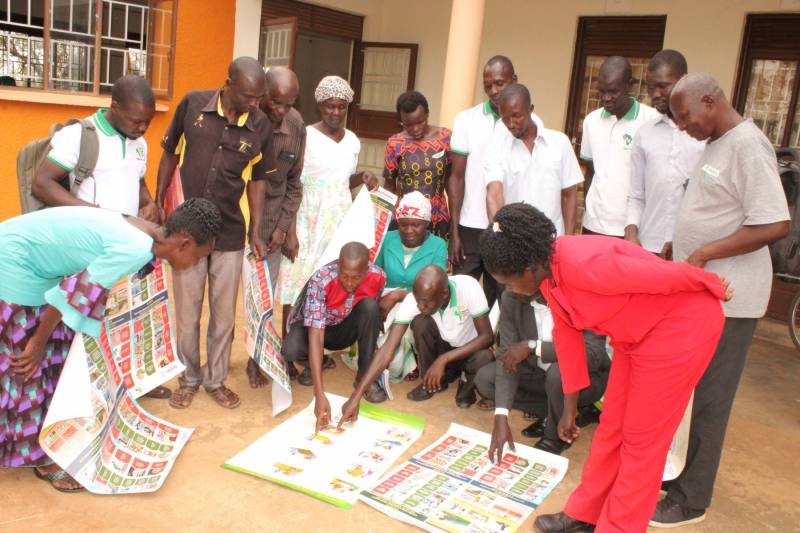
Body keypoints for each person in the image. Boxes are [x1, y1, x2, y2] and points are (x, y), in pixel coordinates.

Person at [479, 203, 729, 533]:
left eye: (508, 283)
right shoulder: (548, 275)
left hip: (680, 328)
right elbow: (567, 340)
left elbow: (659, 273)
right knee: (613, 425)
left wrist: (709, 283)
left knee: (642, 442)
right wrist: (568, 409)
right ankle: (586, 515)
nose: (508, 290)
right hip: (635, 334)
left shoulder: (584, 264)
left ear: (530, 266)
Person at [0, 198, 221, 492]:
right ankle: (37, 458)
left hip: (28, 255)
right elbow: (71, 297)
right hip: (14, 261)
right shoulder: (134, 248)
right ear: (184, 243)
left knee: (55, 348)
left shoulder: (146, 232)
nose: (196, 264)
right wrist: (38, 342)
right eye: (199, 256)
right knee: (26, 361)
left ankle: (40, 437)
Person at [651, 73, 790, 528]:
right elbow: (716, 207)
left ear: (710, 101)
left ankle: (693, 500)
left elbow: (775, 223)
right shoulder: (717, 142)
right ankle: (683, 478)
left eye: (687, 117)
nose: (684, 126)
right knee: (693, 394)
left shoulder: (749, 146)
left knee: (712, 398)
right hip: (705, 293)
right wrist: (680, 241)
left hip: (733, 298)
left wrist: (706, 251)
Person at [31, 75, 171, 400]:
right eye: (136, 120)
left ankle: (134, 380)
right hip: (90, 246)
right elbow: (43, 183)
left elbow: (138, 183)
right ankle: (81, 392)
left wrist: (149, 203)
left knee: (127, 317)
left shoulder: (139, 143)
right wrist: (93, 215)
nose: (142, 128)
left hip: (128, 247)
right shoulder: (78, 137)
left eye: (148, 122)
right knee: (86, 316)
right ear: (115, 106)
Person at [156, 57, 276, 410]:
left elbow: (257, 181)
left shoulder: (260, 125)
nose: (256, 104)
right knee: (187, 311)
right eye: (250, 96)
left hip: (229, 233)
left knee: (223, 315)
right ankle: (189, 378)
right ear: (229, 84)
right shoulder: (192, 103)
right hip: (187, 235)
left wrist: (256, 229)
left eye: (259, 97)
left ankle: (215, 380)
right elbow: (169, 153)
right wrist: (160, 200)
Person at [277, 75, 378, 345]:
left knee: (330, 284)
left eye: (341, 106)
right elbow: (292, 183)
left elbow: (344, 180)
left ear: (348, 107)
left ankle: (317, 345)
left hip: (338, 221)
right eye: (329, 106)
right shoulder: (306, 135)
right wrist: (290, 232)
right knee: (298, 281)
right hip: (308, 219)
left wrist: (363, 177)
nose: (335, 112)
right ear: (319, 105)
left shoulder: (353, 140)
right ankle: (291, 344)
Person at [475, 292, 609, 456]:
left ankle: (554, 436)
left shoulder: (579, 295)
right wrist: (501, 415)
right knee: (486, 380)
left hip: (584, 379)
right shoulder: (511, 296)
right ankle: (563, 413)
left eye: (510, 281)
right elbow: (506, 356)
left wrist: (534, 347)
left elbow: (592, 355)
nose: (506, 288)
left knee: (559, 373)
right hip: (536, 371)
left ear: (534, 270)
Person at [281, 242, 387, 430]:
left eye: (356, 278)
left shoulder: (378, 277)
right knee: (290, 349)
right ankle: (318, 363)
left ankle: (364, 377)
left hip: (344, 328)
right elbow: (316, 333)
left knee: (371, 308)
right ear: (338, 266)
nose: (349, 283)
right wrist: (319, 394)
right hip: (316, 328)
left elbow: (368, 319)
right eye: (344, 275)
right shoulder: (321, 280)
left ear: (366, 270)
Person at [246, 66, 305, 389]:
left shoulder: (295, 124)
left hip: (271, 229)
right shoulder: (245, 118)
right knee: (231, 301)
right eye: (276, 103)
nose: (281, 111)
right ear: (263, 91)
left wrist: (283, 228)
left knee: (263, 299)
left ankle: (258, 360)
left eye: (289, 103)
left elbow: (294, 183)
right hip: (236, 223)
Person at [448, 55, 518, 306]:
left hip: (507, 229)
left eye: (500, 83)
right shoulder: (467, 120)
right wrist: (454, 232)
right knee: (461, 298)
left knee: (504, 297)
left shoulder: (526, 124)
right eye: (488, 85)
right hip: (470, 226)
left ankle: (498, 346)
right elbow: (456, 178)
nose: (494, 91)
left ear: (514, 81)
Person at [624, 50, 705, 258]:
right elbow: (636, 195)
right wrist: (631, 233)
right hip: (648, 246)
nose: (655, 94)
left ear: (683, 81)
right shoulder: (645, 134)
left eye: (663, 86)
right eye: (651, 87)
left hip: (692, 250)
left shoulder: (704, 135)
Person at [484, 83, 583, 235]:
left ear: (531, 110)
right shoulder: (497, 149)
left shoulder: (560, 143)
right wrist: (498, 236)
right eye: (505, 118)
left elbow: (569, 195)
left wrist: (569, 239)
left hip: (554, 241)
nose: (511, 124)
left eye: (517, 116)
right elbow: (494, 194)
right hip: (517, 243)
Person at [580, 56, 659, 237]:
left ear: (629, 85)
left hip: (631, 229)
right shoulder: (591, 121)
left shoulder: (651, 121)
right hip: (593, 225)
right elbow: (590, 171)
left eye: (613, 92)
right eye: (602, 91)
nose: (606, 98)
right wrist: (589, 207)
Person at [373, 192, 447, 381]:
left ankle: (412, 360)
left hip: (419, 302)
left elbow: (435, 286)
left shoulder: (438, 245)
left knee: (404, 333)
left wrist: (397, 296)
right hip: (385, 301)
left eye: (416, 224)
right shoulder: (387, 238)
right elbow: (376, 275)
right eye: (404, 224)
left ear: (427, 223)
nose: (409, 230)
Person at [383, 90, 452, 239]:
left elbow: (452, 181)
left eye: (420, 122)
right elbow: (389, 185)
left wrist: (456, 221)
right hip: (405, 218)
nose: (415, 129)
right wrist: (382, 222)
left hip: (437, 215)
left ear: (427, 113)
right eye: (408, 124)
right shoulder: (395, 144)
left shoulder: (445, 138)